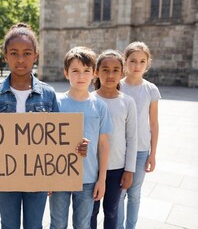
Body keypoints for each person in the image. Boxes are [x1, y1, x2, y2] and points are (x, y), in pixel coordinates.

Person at [0, 23, 61, 229]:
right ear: (5, 55)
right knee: (9, 225)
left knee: (34, 225)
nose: (20, 59)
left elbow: (58, 140)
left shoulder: (49, 94)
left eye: (26, 53)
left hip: (38, 175)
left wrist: (74, 149)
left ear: (35, 55)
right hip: (5, 175)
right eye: (14, 53)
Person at [49, 46, 112, 229]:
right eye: (75, 71)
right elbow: (47, 142)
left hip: (88, 178)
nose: (81, 76)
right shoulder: (56, 103)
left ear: (94, 74)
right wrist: (47, 178)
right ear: (66, 73)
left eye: (86, 71)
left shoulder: (100, 107)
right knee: (57, 224)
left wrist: (102, 179)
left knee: (83, 225)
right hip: (59, 177)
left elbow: (103, 145)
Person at [90, 50, 138, 229]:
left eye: (116, 70)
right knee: (91, 212)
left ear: (122, 72)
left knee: (111, 211)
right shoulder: (90, 100)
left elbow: (132, 138)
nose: (110, 75)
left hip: (117, 168)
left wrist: (129, 169)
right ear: (96, 72)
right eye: (105, 70)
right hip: (91, 168)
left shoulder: (128, 102)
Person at [118, 41, 161, 229]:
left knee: (134, 193)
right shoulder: (117, 86)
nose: (137, 66)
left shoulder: (151, 89)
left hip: (141, 150)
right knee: (119, 193)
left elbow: (153, 123)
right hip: (118, 150)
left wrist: (153, 153)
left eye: (142, 61)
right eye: (133, 61)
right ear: (125, 62)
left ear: (147, 63)